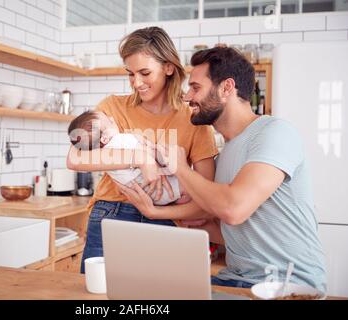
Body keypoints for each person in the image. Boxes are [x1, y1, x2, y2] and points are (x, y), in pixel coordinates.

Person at [118, 47, 327, 291]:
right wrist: (194, 224)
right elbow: (241, 231)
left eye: (196, 87)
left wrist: (181, 169)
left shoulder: (275, 132)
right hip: (237, 279)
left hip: (286, 285)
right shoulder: (227, 150)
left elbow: (233, 209)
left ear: (226, 88)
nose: (187, 97)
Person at [66, 27, 218, 274]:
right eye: (130, 74)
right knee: (98, 295)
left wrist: (157, 212)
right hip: (113, 211)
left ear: (168, 67)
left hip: (169, 217)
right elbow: (74, 157)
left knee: (163, 296)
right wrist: (140, 157)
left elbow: (208, 196)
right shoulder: (113, 107)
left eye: (145, 73)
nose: (136, 83)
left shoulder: (193, 117)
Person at [68, 110, 192, 205]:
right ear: (104, 138)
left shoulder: (101, 155)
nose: (112, 118)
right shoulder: (120, 140)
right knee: (190, 187)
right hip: (159, 189)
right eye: (110, 122)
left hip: (147, 196)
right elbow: (153, 153)